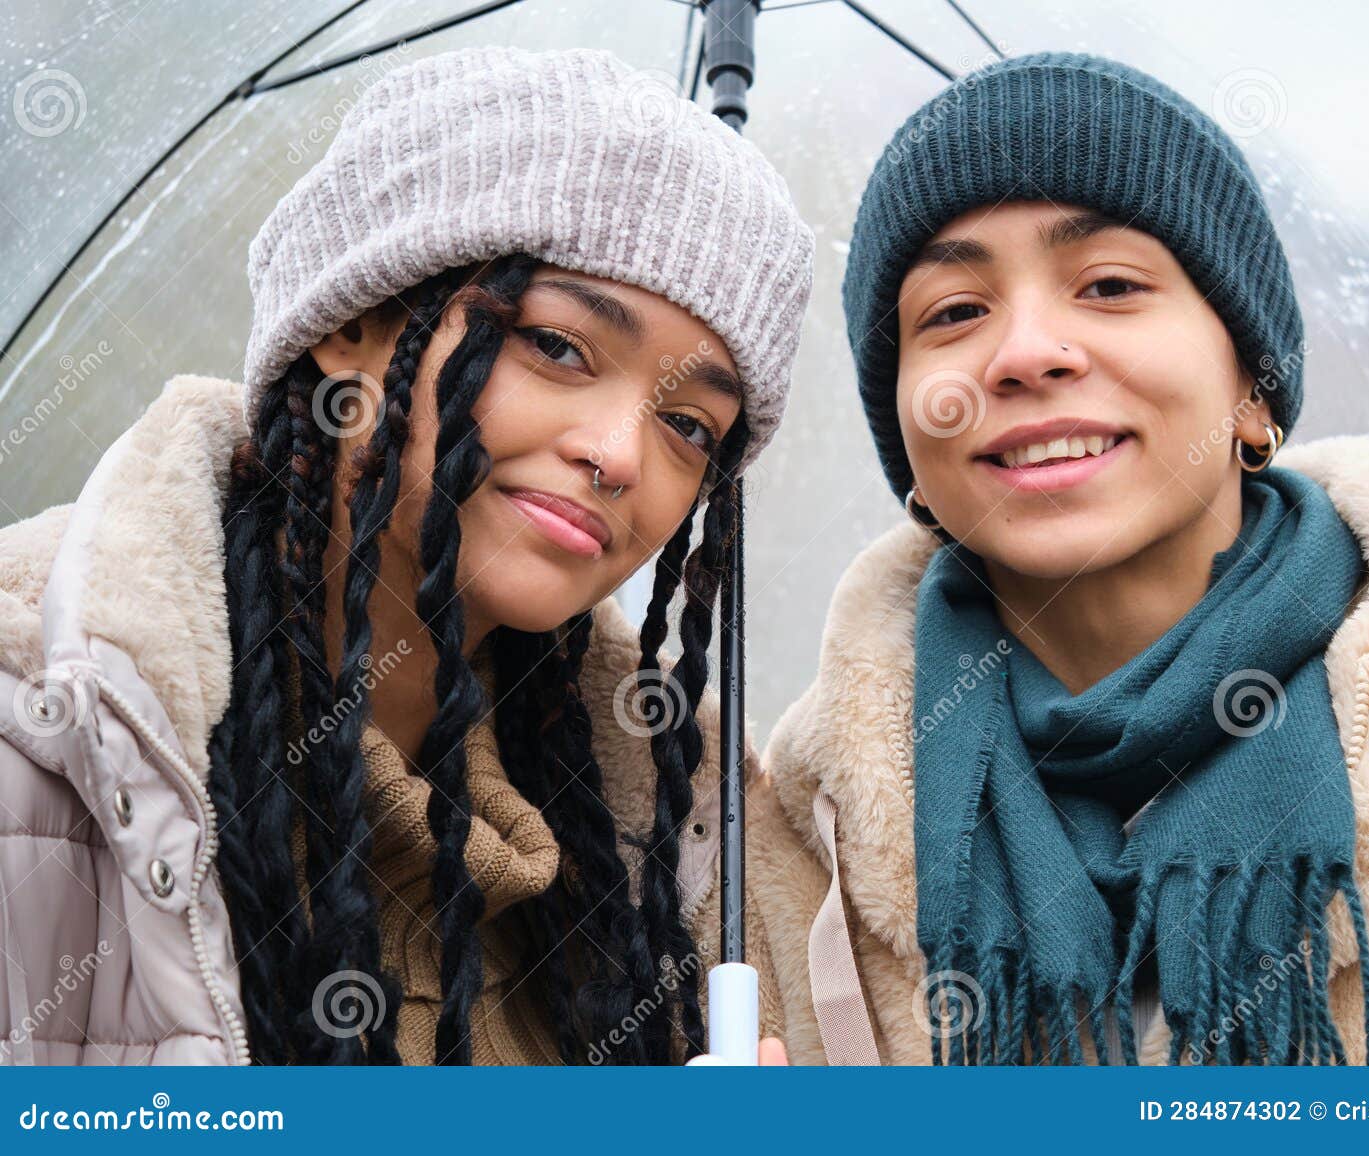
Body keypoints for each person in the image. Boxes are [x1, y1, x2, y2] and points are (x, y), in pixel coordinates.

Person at [748, 51, 1369, 1065]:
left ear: (1252, 391)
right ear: (913, 461)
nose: (1024, 351)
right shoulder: (784, 849)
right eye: (954, 313)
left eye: (1108, 285)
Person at [0, 45, 812, 1066]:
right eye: (557, 348)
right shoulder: (44, 740)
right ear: (353, 324)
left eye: (690, 424)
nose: (618, 455)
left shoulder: (674, 848)